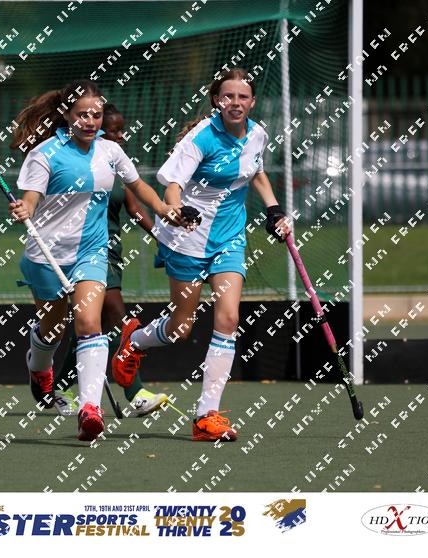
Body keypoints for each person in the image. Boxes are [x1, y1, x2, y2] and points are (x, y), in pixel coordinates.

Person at [111, 68, 291, 442]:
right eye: (228, 96)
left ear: (252, 102)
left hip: (229, 240)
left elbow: (256, 172)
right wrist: (177, 210)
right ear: (216, 100)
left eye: (243, 97)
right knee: (181, 328)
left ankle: (206, 416)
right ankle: (136, 341)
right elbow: (172, 185)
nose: (235, 103)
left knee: (229, 318)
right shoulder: (202, 137)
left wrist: (274, 210)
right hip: (187, 239)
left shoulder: (257, 134)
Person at [8, 80, 185, 441]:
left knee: (89, 323)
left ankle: (90, 410)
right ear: (66, 114)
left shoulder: (110, 150)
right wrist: (24, 208)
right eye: (82, 115)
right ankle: (38, 365)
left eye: (96, 114)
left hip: (92, 252)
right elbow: (31, 198)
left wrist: (164, 208)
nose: (90, 121)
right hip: (47, 255)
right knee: (53, 330)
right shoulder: (44, 153)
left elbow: (138, 186)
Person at [51, 103, 169, 418]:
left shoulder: (117, 163)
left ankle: (59, 387)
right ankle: (135, 392)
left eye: (121, 130)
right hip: (86, 251)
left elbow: (134, 208)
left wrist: (162, 237)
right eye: (114, 130)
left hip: (113, 253)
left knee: (92, 325)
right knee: (117, 316)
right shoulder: (81, 164)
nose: (120, 135)